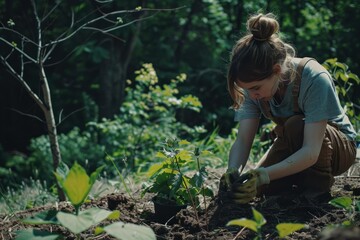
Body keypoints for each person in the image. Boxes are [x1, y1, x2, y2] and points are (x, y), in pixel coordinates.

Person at [219, 13, 357, 204]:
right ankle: (297, 182)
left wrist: (265, 174)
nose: (252, 95)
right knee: (254, 188)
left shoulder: (314, 77)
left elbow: (310, 151)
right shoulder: (254, 88)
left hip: (338, 149)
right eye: (247, 89)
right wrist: (232, 170)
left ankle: (316, 192)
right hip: (292, 143)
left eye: (256, 88)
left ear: (276, 70)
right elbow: (243, 139)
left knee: (294, 125)